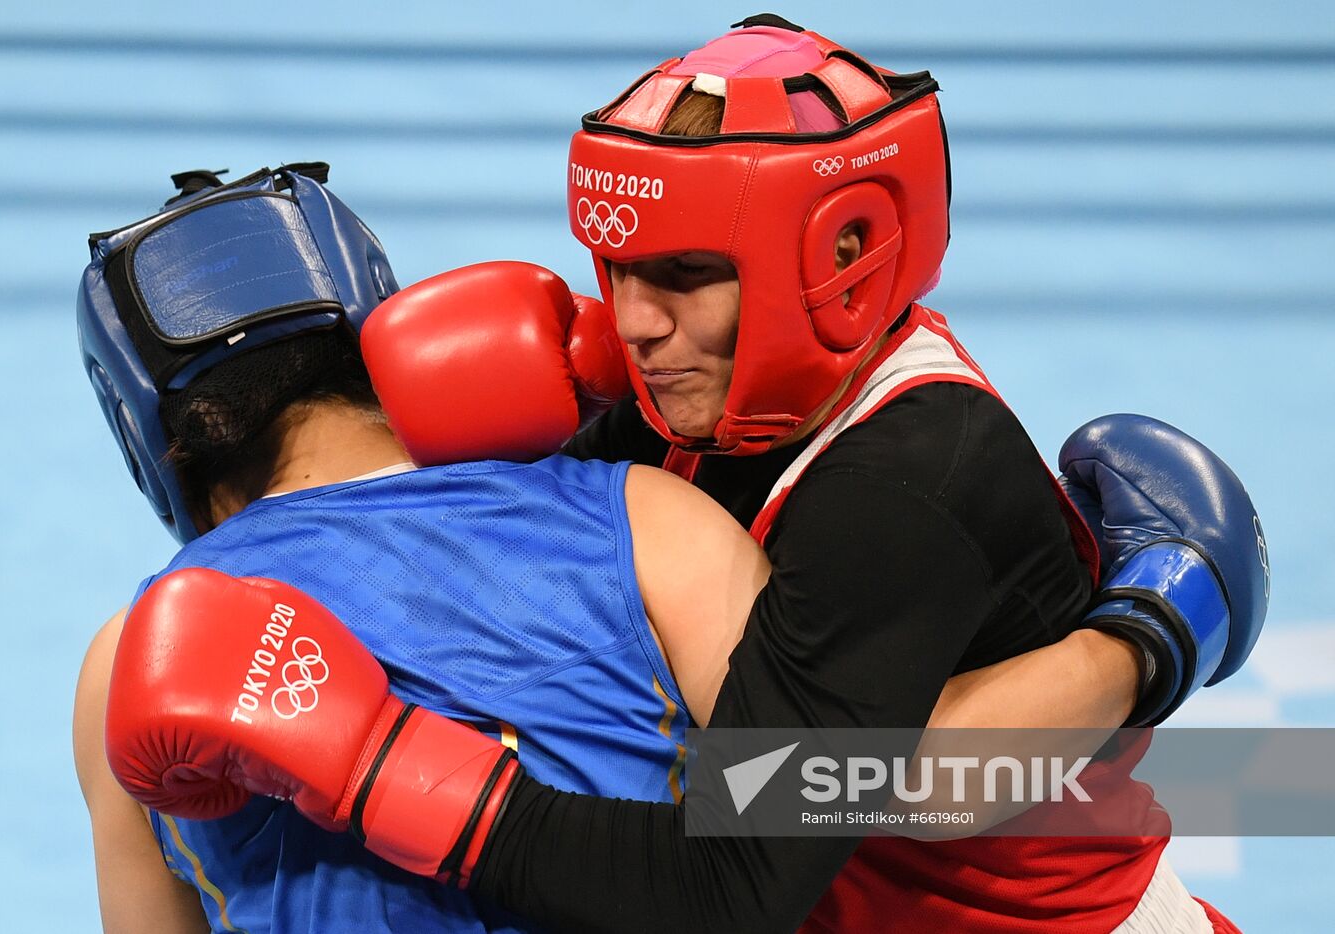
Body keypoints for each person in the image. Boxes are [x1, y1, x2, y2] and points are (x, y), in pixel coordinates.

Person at [72, 164, 1183, 932]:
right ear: (388, 337)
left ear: (153, 446)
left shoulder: (123, 658)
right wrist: (1156, 624)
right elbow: (887, 785)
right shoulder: (648, 517)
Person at [341, 16, 1268, 932]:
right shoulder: (697, 397)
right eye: (618, 267)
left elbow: (746, 868)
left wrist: (384, 771)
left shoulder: (906, 477)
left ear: (843, 252)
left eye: (685, 271)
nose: (632, 323)